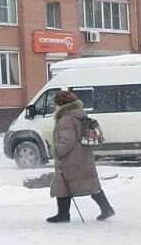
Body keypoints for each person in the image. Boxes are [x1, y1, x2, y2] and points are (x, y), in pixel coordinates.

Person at [48, 89, 115, 223]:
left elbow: (67, 140)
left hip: (71, 157)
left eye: (56, 103)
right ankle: (106, 208)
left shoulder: (66, 119)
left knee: (62, 183)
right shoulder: (79, 115)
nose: (55, 107)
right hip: (84, 155)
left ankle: (63, 214)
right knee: (90, 183)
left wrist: (57, 151)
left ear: (61, 104)